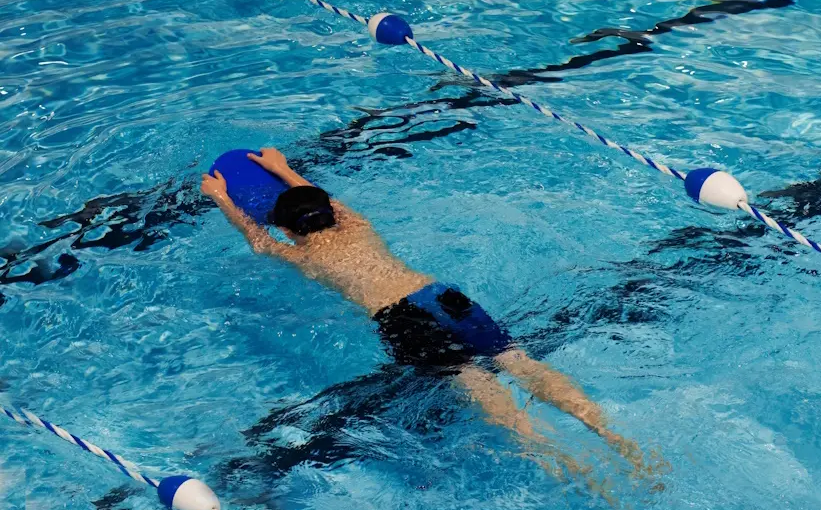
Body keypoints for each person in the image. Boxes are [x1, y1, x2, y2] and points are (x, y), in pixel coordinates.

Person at [200, 148, 650, 482]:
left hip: (403, 319)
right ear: (330, 214)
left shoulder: (304, 257)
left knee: (476, 382)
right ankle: (615, 438)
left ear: (286, 229)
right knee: (519, 361)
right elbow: (326, 201)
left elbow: (257, 240)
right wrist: (282, 169)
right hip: (442, 295)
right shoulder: (359, 227)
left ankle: (570, 465)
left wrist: (221, 196)